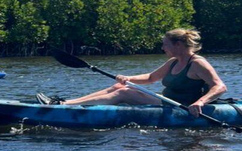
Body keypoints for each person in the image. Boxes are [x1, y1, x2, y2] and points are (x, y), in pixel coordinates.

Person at [37, 29, 227, 117]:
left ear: (178, 45)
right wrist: (128, 78)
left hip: (183, 107)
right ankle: (67, 103)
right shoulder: (173, 62)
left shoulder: (198, 63)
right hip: (166, 101)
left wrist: (200, 102)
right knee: (119, 85)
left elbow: (220, 86)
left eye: (165, 44)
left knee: (123, 93)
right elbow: (151, 78)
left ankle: (62, 105)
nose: (163, 48)